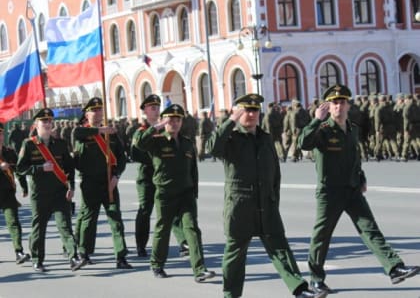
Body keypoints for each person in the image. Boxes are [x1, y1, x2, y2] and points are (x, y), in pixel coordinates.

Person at [298, 84, 420, 294]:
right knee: (322, 237)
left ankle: (394, 268)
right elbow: (304, 143)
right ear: (329, 106)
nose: (338, 106)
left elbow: (355, 158)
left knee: (370, 230)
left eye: (342, 102)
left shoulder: (352, 128)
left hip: (352, 190)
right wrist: (316, 119)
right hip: (330, 192)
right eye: (334, 103)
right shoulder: (322, 130)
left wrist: (361, 177)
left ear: (347, 105)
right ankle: (316, 279)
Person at [207, 93, 326, 298]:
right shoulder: (231, 139)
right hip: (240, 206)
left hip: (266, 203)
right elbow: (212, 147)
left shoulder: (265, 138)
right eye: (246, 110)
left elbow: (275, 173)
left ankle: (299, 289)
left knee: (281, 249)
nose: (251, 114)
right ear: (238, 111)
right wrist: (231, 120)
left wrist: (274, 200)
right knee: (235, 256)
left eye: (254, 110)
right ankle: (230, 295)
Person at [137, 104, 215, 282]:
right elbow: (139, 141)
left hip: (186, 193)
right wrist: (156, 126)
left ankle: (199, 270)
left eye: (178, 120)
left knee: (192, 230)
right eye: (170, 119)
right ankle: (157, 264)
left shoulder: (187, 143)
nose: (174, 123)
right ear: (164, 121)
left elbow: (193, 171)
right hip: (165, 193)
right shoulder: (157, 141)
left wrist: (194, 192)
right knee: (163, 230)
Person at [16, 108, 84, 272]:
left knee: (65, 225)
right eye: (43, 121)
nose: (47, 124)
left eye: (49, 121)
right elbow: (20, 169)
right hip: (40, 194)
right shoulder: (29, 144)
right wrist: (40, 168)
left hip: (60, 192)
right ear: (36, 124)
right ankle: (37, 259)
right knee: (39, 228)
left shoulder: (60, 144)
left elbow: (69, 167)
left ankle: (73, 257)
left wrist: (71, 186)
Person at [73, 97, 132, 269]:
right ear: (87, 113)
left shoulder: (111, 133)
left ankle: (121, 256)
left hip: (109, 181)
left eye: (100, 110)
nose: (98, 113)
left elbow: (121, 157)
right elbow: (76, 133)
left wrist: (117, 176)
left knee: (116, 219)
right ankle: (84, 253)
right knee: (89, 219)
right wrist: (99, 131)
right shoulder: (82, 132)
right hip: (90, 182)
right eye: (94, 110)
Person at [131, 94, 188, 258]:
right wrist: (156, 158)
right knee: (145, 210)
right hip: (147, 176)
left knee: (173, 208)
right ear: (145, 111)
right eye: (152, 107)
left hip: (164, 176)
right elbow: (135, 154)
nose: (156, 110)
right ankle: (141, 245)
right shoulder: (141, 131)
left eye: (157, 107)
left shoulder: (166, 129)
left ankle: (183, 242)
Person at [0, 122, 30, 265]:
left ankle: (19, 251)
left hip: (7, 193)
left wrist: (24, 186)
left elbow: (19, 169)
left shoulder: (9, 152)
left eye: (0, 134)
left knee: (13, 222)